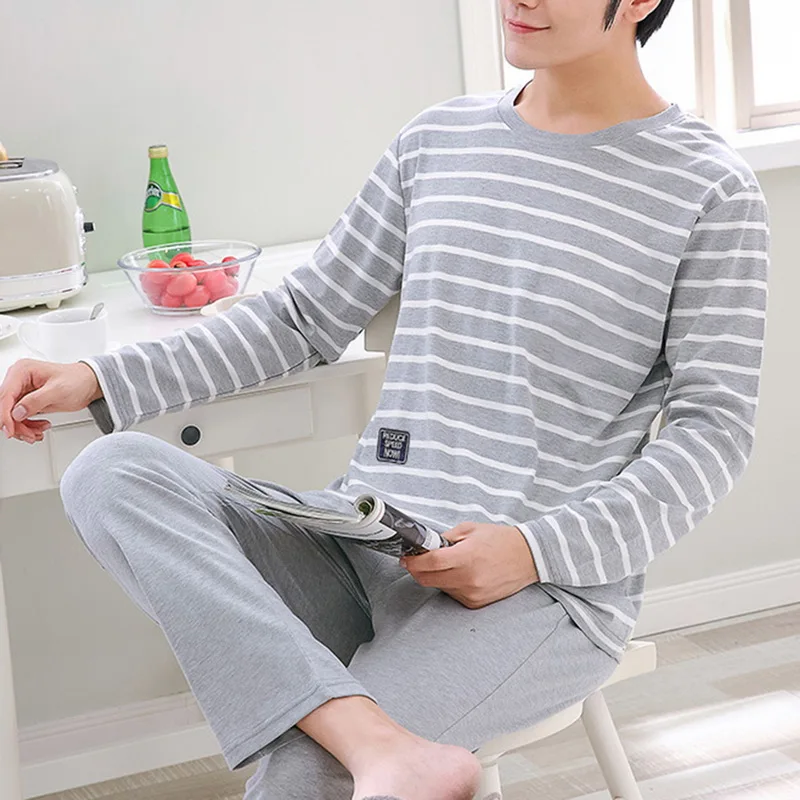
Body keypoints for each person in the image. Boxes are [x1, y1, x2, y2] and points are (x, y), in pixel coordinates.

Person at [0, 0, 770, 798]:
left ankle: (355, 742)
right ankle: (373, 740)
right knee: (110, 472)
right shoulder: (438, 141)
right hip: (364, 541)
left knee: (305, 777)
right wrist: (103, 377)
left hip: (535, 590)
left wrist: (533, 548)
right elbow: (303, 319)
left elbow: (712, 434)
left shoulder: (708, 188)